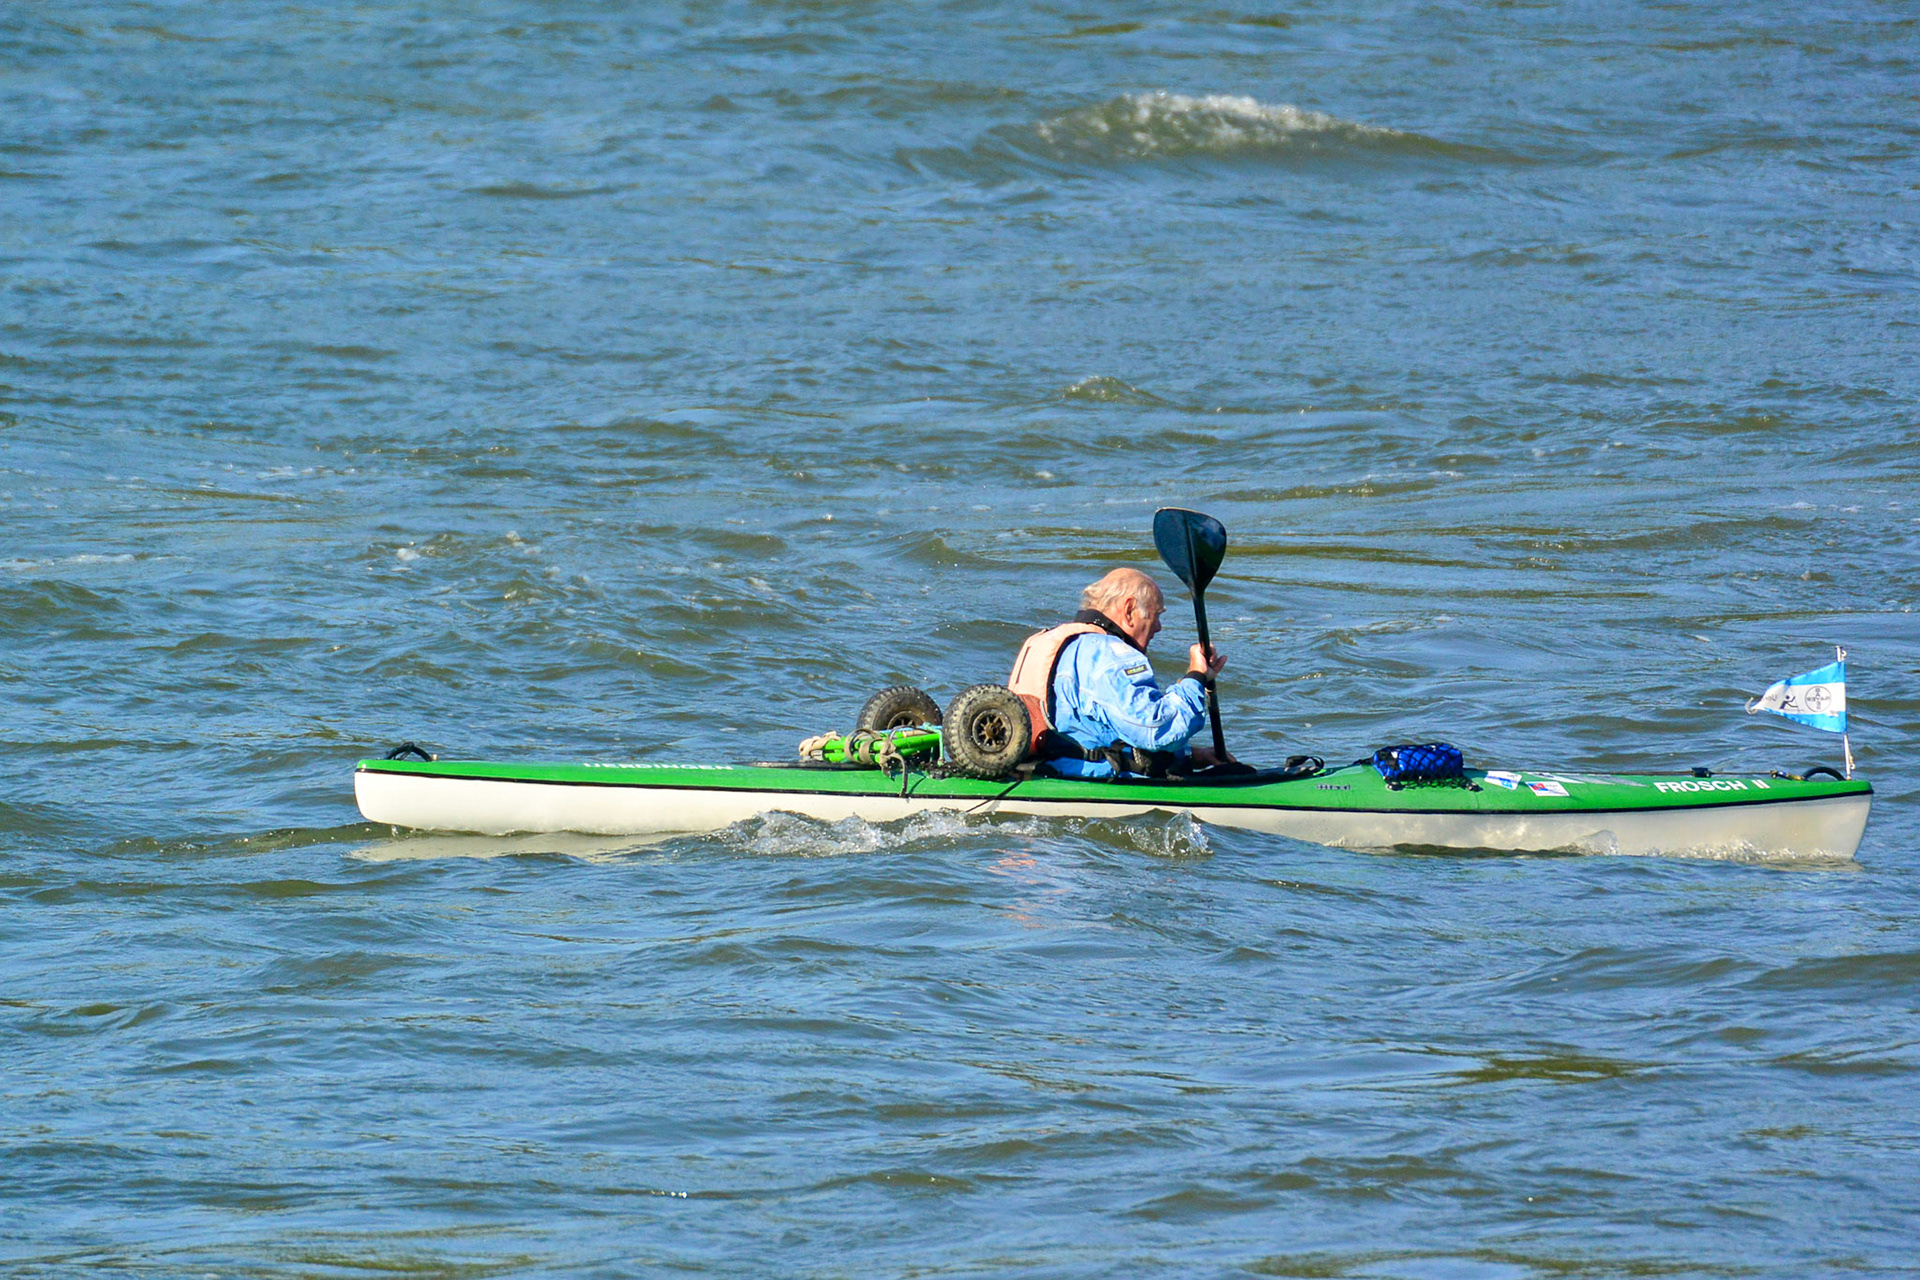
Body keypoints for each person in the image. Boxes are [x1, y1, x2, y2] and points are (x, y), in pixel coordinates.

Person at [1007, 567, 1230, 779]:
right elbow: (1157, 730)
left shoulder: (1044, 641)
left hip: (1041, 772)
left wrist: (1193, 756)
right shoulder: (1108, 653)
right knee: (1237, 772)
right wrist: (1196, 677)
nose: (1159, 627)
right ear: (1130, 610)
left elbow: (1091, 729)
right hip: (1094, 782)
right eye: (1156, 615)